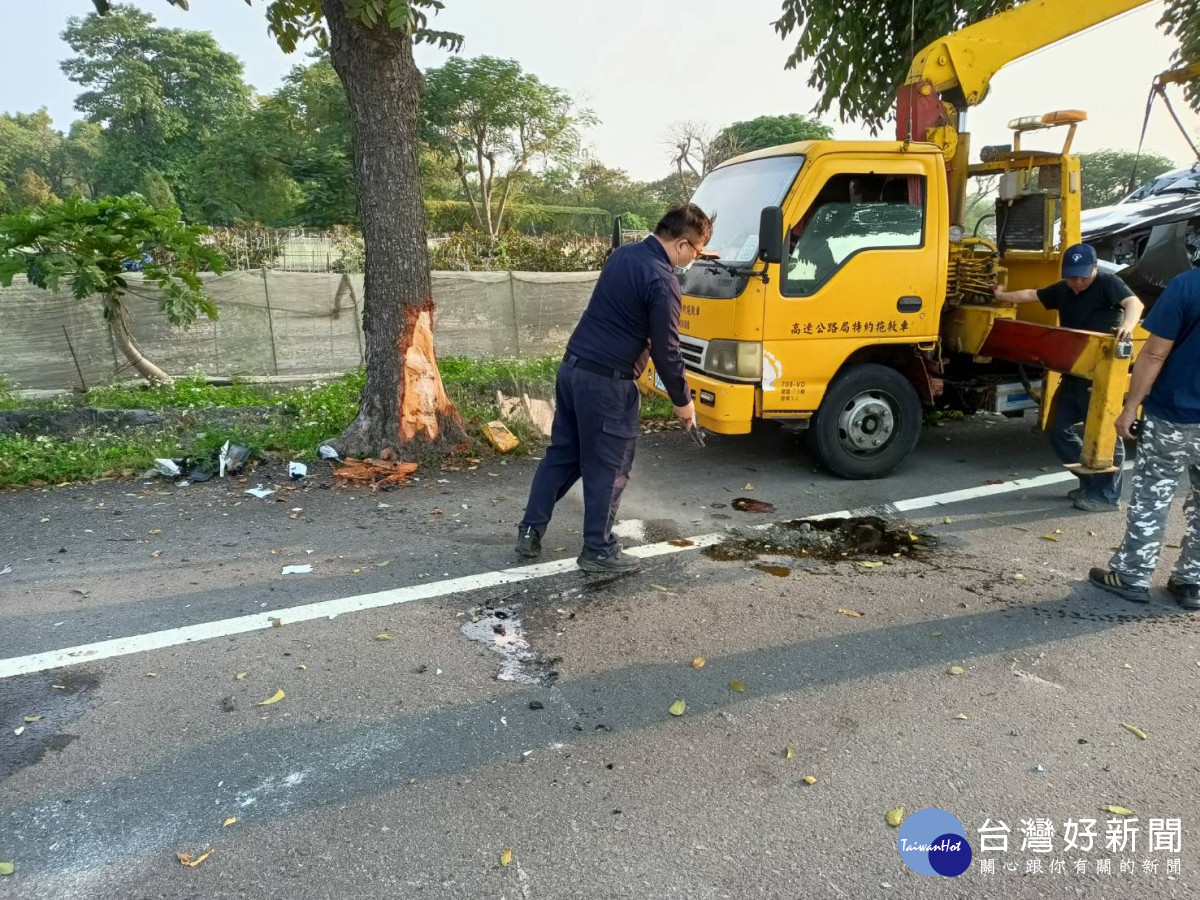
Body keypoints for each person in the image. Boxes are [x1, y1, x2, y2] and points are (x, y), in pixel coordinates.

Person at [513, 203, 713, 574]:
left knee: (562, 456)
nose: (693, 260)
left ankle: (529, 530)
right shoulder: (662, 279)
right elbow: (667, 349)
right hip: (608, 384)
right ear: (684, 245)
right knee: (608, 468)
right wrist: (683, 401)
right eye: (697, 252)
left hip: (573, 369)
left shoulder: (623, 255)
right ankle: (598, 550)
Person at [991, 243, 1143, 511]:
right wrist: (1003, 295)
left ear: (1095, 269)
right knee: (1057, 430)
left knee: (1105, 436)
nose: (1077, 282)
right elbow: (1031, 294)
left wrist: (1126, 328)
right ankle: (1090, 483)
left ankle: (1106, 496)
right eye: (1072, 276)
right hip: (1073, 372)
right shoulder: (1063, 290)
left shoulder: (1108, 283)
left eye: (1083, 276)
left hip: (1102, 376)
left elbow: (1134, 303)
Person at [1089, 269, 1200, 608]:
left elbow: (1153, 354)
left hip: (1173, 416)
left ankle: (1132, 576)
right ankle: (1192, 582)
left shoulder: (1187, 284)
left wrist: (1130, 407)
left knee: (1153, 494)